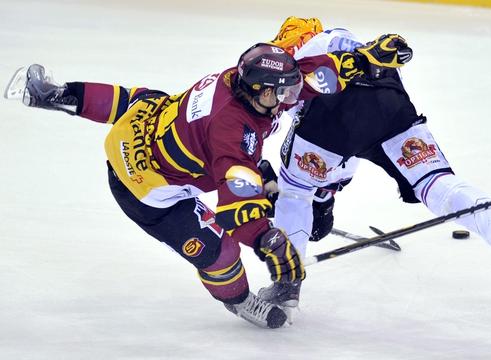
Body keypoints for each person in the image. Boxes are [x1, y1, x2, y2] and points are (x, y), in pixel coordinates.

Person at [4, 35, 412, 328]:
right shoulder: (233, 132)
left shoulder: (249, 81)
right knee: (218, 250)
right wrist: (266, 239)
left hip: (146, 127)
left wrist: (367, 57)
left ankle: (57, 95)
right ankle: (239, 302)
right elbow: (235, 207)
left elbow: (304, 76)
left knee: (144, 99)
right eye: (281, 95)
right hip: (145, 191)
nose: (290, 99)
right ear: (258, 92)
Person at [256, 18, 491, 314]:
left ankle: (287, 283)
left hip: (332, 111)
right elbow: (360, 125)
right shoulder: (346, 38)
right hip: (389, 100)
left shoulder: (292, 58)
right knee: (436, 183)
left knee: (295, 191)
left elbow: (331, 140)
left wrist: (315, 194)